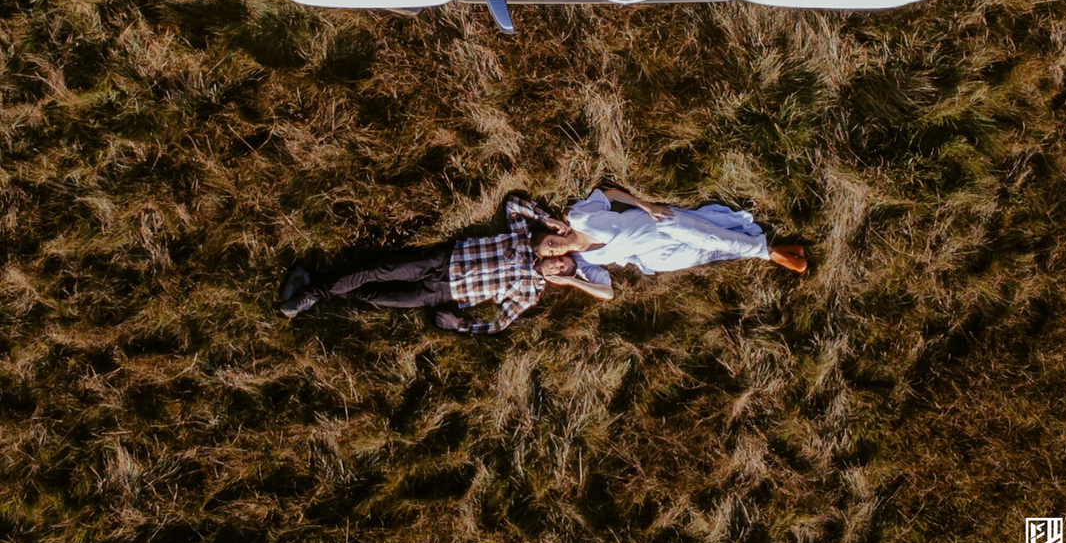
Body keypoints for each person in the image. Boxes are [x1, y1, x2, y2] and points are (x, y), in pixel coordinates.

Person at [279, 195, 580, 332]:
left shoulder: (530, 295)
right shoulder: (524, 239)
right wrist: (545, 218)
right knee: (375, 271)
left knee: (374, 295)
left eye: (562, 270)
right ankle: (310, 294)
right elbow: (513, 204)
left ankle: (310, 279)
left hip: (443, 294)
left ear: (559, 281)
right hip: (442, 261)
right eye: (560, 259)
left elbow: (498, 323)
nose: (557, 265)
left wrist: (460, 325)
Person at [535, 185, 808, 277]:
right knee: (712, 252)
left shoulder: (578, 217)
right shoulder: (586, 259)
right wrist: (569, 281)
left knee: (714, 237)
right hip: (655, 257)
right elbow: (606, 293)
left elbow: (612, 194)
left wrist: (646, 205)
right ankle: (780, 251)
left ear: (552, 232)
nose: (556, 249)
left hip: (658, 223)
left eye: (550, 242)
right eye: (552, 253)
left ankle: (779, 256)